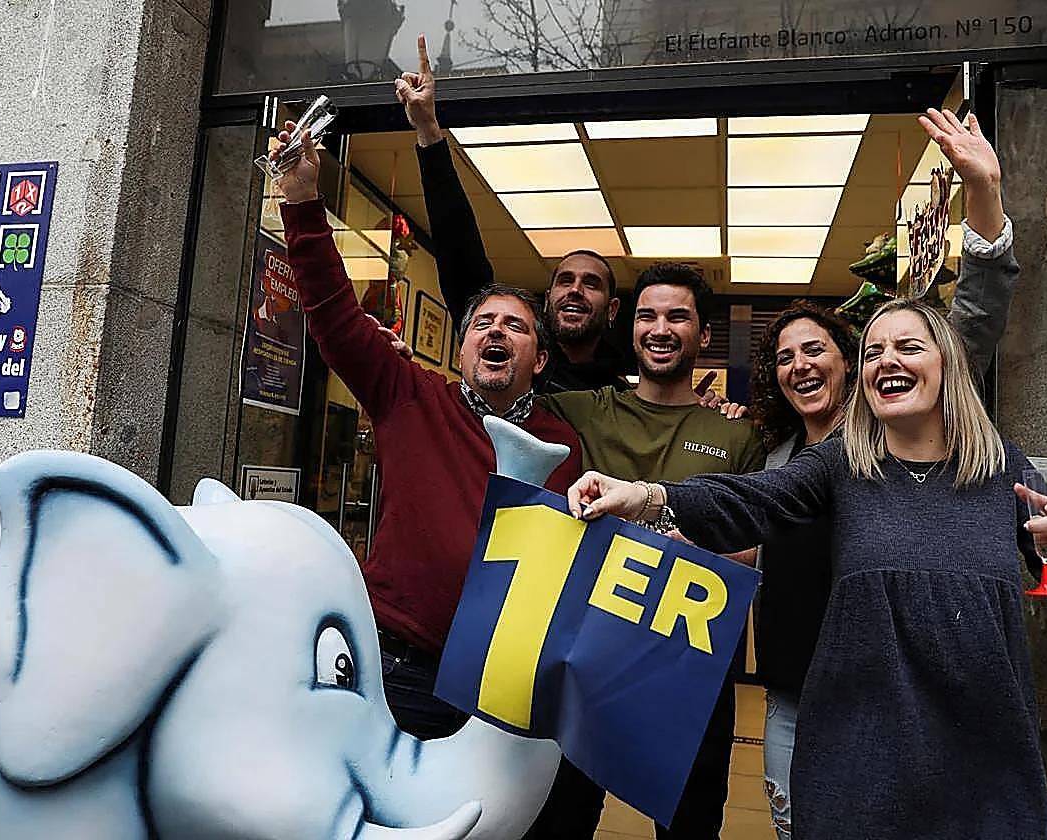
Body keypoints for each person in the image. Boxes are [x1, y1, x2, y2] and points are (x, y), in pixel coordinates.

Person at [567, 297, 1047, 840]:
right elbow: (750, 499)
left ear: (949, 366)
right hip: (858, 764)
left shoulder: (1004, 470)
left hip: (986, 762)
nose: (887, 361)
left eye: (909, 347)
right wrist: (645, 495)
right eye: (874, 352)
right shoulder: (841, 464)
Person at [748, 106, 1021, 838]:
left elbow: (972, 322)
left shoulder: (902, 436)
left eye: (819, 351)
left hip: (889, 698)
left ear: (851, 361)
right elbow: (741, 520)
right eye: (783, 359)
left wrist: (986, 201)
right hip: (792, 692)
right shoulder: (775, 460)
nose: (801, 365)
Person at [269, 124, 584, 739]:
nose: (497, 333)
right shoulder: (409, 395)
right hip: (398, 667)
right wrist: (303, 200)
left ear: (540, 361)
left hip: (503, 684)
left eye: (516, 328)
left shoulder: (565, 447)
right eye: (484, 324)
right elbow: (334, 314)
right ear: (462, 348)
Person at [530, 261, 765, 840]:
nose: (660, 328)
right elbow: (496, 397)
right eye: (647, 316)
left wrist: (695, 543)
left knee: (690, 824)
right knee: (562, 820)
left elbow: (750, 556)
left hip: (691, 670)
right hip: (586, 658)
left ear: (703, 336)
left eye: (677, 317)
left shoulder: (737, 434)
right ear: (629, 329)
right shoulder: (585, 410)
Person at [395, 34, 628, 392]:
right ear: (547, 300)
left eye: (591, 284)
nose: (575, 290)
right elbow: (461, 253)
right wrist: (428, 130)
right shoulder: (513, 363)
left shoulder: (621, 400)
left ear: (611, 310)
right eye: (565, 281)